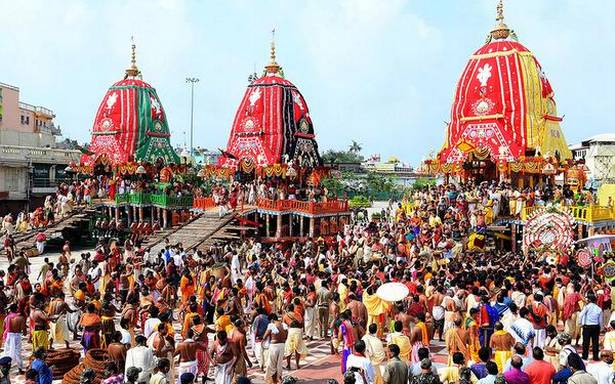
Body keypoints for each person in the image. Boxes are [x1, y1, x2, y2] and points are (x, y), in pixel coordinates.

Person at [578, 293, 602, 361]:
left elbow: (580, 315)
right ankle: (595, 357)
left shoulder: (587, 307)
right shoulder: (599, 308)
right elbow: (600, 320)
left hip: (587, 326)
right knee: (595, 342)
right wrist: (601, 327)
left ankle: (585, 356)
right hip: (596, 326)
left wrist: (580, 323)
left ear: (589, 300)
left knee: (586, 342)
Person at [2, 303, 25, 374]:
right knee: (18, 352)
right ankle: (20, 369)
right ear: (16, 309)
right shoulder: (20, 318)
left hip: (9, 335)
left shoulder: (7, 317)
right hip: (17, 336)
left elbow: (4, 327)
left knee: (7, 351)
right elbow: (23, 329)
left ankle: (5, 368)